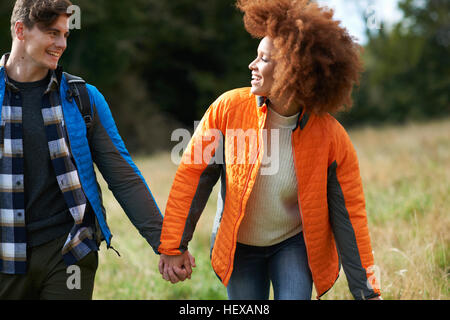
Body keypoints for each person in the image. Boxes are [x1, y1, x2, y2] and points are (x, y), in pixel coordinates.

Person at [158, 0, 382, 300]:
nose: (252, 65)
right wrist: (174, 246)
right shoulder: (226, 110)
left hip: (293, 244)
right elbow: (192, 175)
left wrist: (368, 293)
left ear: (293, 70)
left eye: (263, 59)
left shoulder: (332, 137)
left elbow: (350, 216)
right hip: (239, 247)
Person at [0, 0, 168, 300]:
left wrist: (166, 245)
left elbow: (123, 176)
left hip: (69, 253)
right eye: (53, 33)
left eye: (65, 34)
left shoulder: (82, 98)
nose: (61, 44)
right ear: (20, 30)